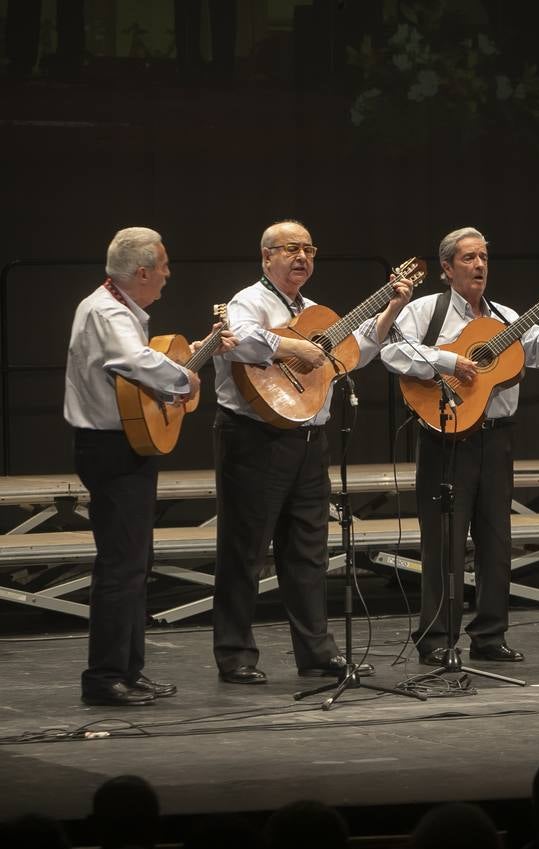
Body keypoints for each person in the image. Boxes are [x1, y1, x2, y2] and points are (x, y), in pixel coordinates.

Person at [211, 219, 411, 684]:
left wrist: (389, 311)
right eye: (290, 249)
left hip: (307, 439)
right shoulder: (250, 300)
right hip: (253, 437)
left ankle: (317, 652)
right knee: (245, 548)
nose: (302, 257)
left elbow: (349, 354)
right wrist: (296, 346)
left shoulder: (318, 311)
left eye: (309, 249)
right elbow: (242, 341)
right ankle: (235, 653)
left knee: (308, 550)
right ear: (266, 257)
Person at [381, 227, 539, 664]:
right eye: (469, 258)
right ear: (448, 268)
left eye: (484, 258)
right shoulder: (425, 312)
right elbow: (393, 352)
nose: (479, 265)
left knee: (496, 541)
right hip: (444, 438)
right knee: (444, 543)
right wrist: (451, 361)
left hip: (496, 437)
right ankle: (436, 640)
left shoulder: (504, 317)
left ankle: (490, 635)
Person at [64, 226, 235, 706]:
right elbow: (136, 361)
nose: (167, 273)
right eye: (162, 265)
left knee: (134, 565)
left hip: (125, 447)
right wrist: (185, 380)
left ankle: (128, 670)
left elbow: (137, 373)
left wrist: (192, 360)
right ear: (141, 272)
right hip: (110, 449)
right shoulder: (105, 311)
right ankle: (104, 678)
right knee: (121, 567)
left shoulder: (120, 310)